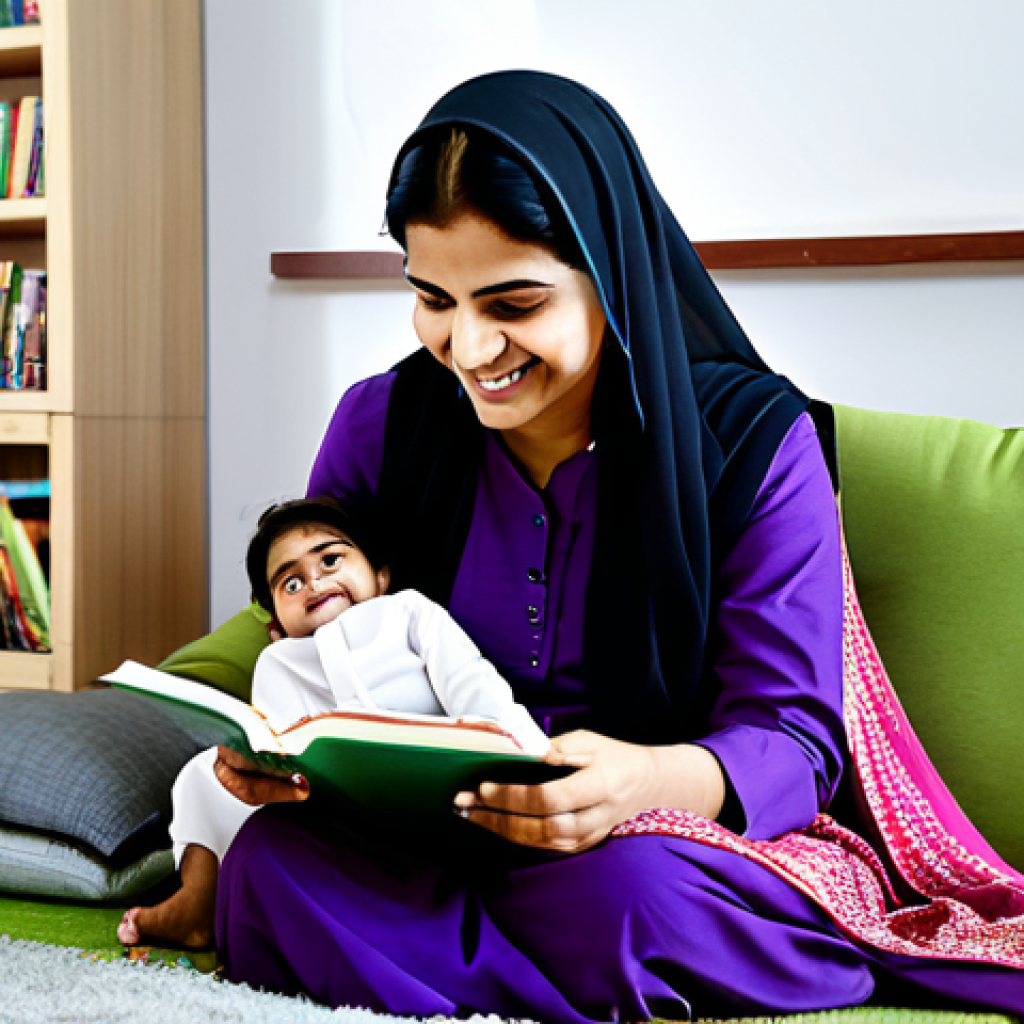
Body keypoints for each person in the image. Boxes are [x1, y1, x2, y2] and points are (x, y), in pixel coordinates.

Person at [212, 72, 1024, 1020]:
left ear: (612, 273)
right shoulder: (381, 425)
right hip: (435, 834)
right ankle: (537, 977)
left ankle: (440, 968)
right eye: (433, 297)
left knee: (632, 901)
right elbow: (313, 628)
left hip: (653, 839)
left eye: (512, 304)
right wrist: (280, 750)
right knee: (271, 865)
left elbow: (795, 746)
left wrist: (639, 780)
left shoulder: (752, 446)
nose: (468, 349)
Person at [118, 496, 548, 949]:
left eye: (330, 559)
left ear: (380, 575)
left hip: (442, 804)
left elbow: (473, 683)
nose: (314, 581)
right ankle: (198, 900)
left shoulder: (408, 614)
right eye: (290, 583)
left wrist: (529, 754)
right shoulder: (279, 661)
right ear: (275, 626)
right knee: (201, 776)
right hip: (335, 819)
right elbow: (278, 761)